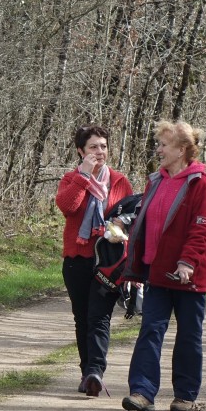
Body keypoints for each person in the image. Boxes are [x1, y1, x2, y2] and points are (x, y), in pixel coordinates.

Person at [121, 119, 206, 411]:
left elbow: (201, 230)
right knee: (150, 330)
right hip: (157, 272)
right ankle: (142, 392)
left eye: (164, 145)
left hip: (188, 276)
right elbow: (144, 224)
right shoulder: (156, 181)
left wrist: (187, 262)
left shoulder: (199, 185)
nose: (158, 150)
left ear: (182, 149)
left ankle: (185, 394)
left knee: (188, 335)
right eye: (159, 144)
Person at [55, 124, 134, 397]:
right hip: (77, 259)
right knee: (82, 317)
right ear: (80, 151)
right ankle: (86, 371)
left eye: (103, 146)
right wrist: (84, 176)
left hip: (109, 262)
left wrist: (119, 227)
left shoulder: (120, 181)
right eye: (93, 147)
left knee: (99, 317)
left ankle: (95, 372)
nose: (99, 152)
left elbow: (132, 216)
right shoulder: (71, 179)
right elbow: (68, 207)